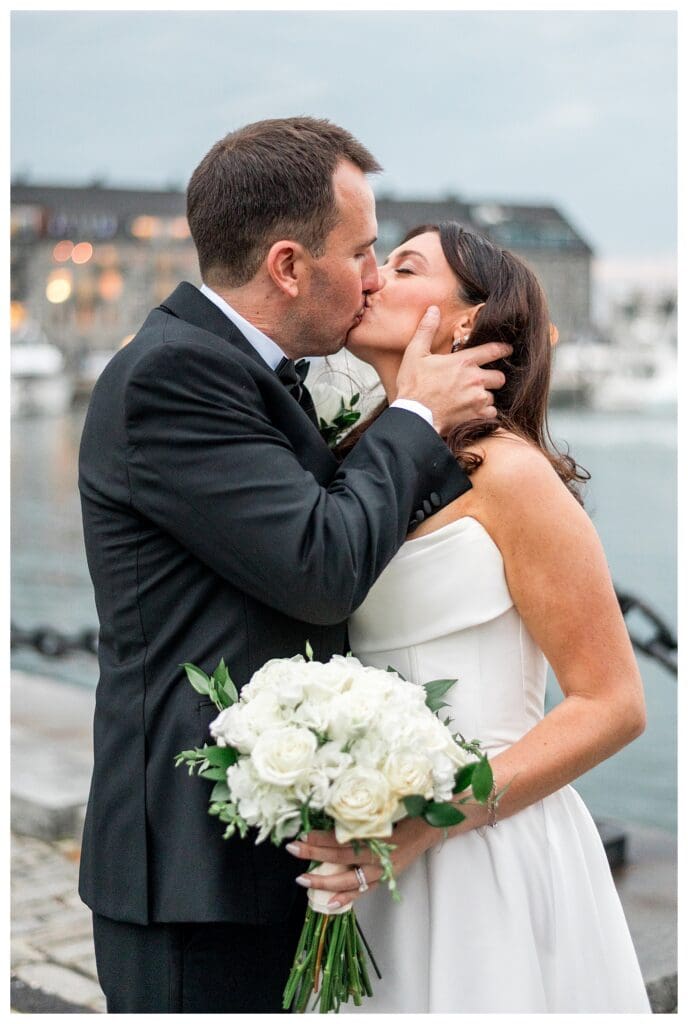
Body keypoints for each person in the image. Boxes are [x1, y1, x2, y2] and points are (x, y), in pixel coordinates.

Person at [77, 120, 512, 1013]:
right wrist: (418, 420)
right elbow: (319, 567)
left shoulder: (256, 371)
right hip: (191, 880)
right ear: (286, 265)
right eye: (359, 251)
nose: (372, 276)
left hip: (287, 852)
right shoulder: (175, 376)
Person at [286, 223, 651, 1012]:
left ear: (464, 322)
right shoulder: (357, 462)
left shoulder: (512, 476)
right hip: (373, 849)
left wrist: (437, 820)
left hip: (485, 847)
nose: (372, 278)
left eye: (402, 265)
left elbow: (615, 704)